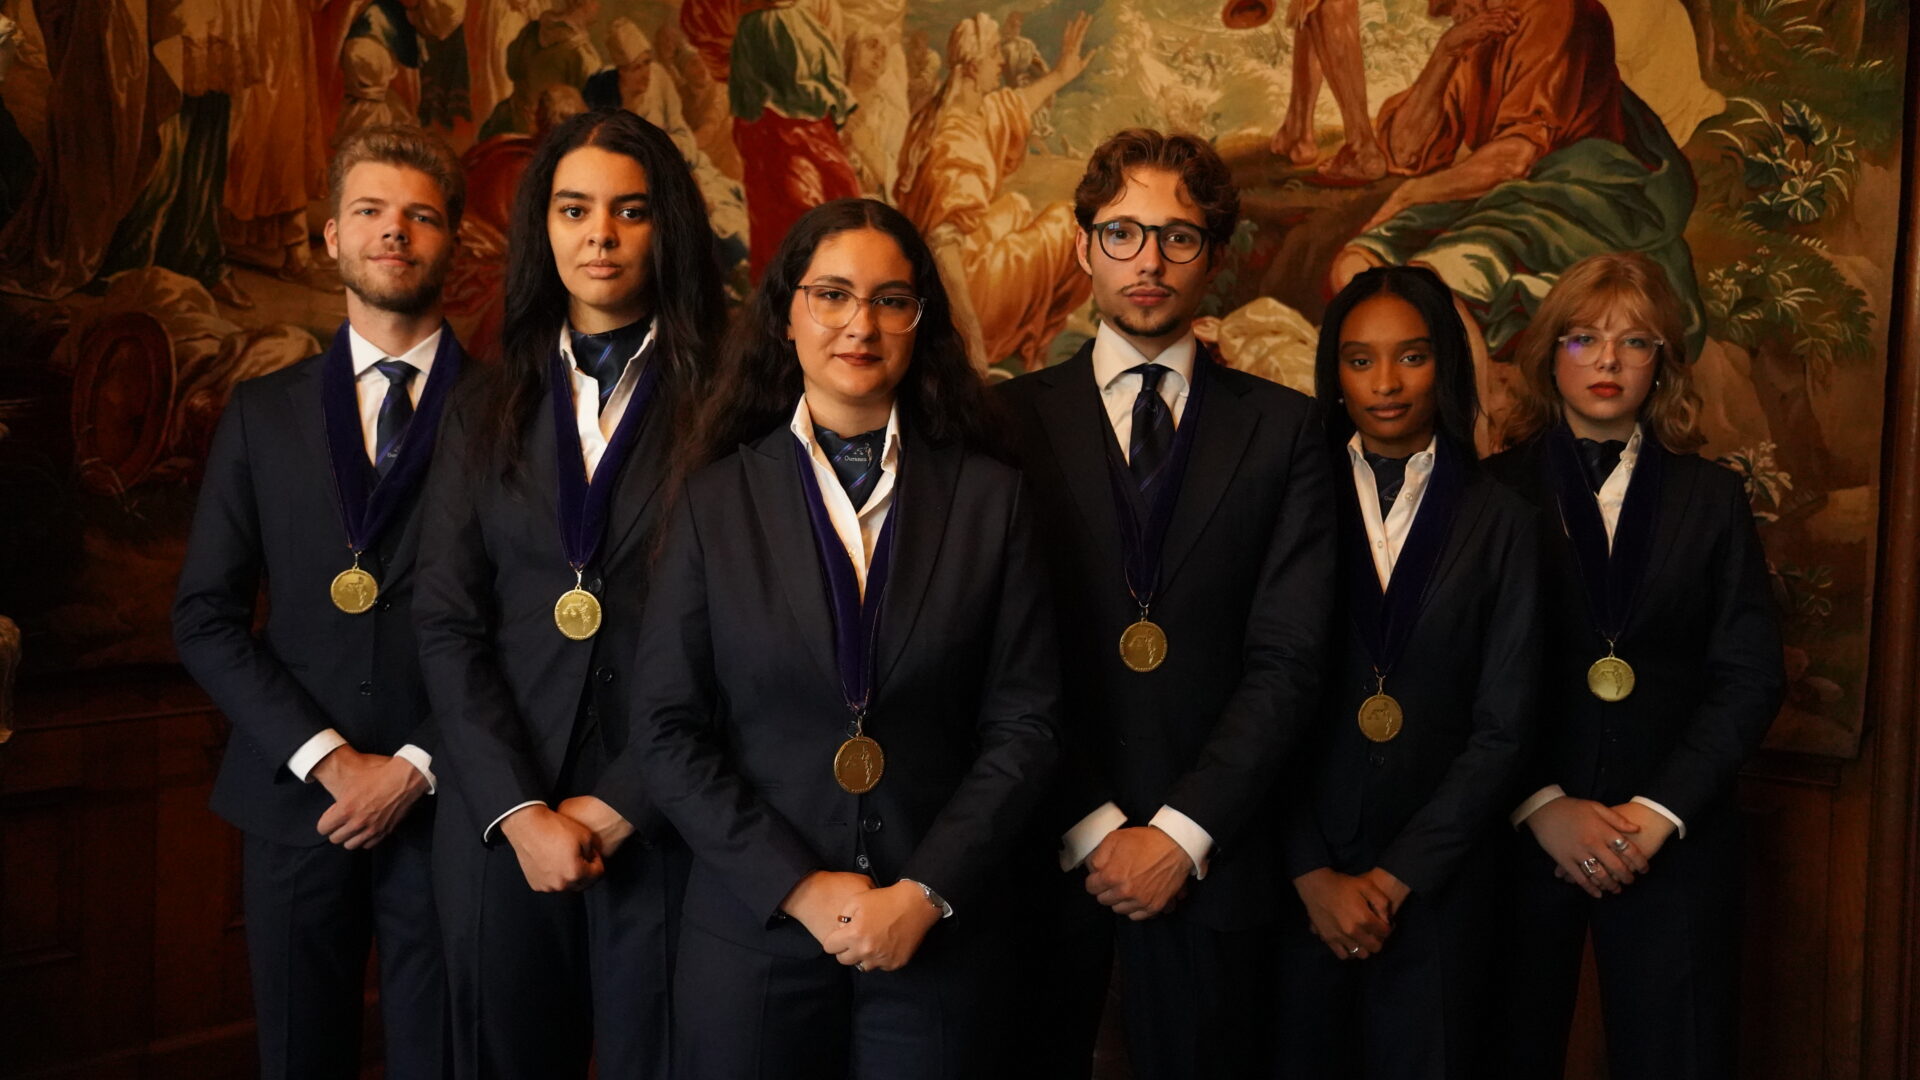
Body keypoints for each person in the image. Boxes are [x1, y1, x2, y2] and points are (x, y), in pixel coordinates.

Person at [602, 197, 1059, 1078]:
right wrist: (801, 888)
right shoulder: (713, 502)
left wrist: (925, 892)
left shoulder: (990, 500)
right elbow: (665, 729)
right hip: (755, 937)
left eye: (891, 300)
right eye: (833, 295)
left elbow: (1026, 727)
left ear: (920, 321)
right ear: (787, 315)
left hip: (937, 938)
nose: (861, 323)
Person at [995, 128, 1335, 1079]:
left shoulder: (1287, 431)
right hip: (1041, 849)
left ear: (1213, 256)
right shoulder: (1004, 422)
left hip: (1215, 861)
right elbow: (991, 657)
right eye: (1123, 233)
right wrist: (1095, 827)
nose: (1149, 261)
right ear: (1083, 247)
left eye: (1178, 237)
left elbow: (1290, 660)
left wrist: (1181, 835)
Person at [413, 108, 726, 1080]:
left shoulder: (732, 403)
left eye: (631, 210)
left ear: (666, 225)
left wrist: (625, 802)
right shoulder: (480, 405)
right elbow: (447, 622)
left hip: (667, 820)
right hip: (502, 823)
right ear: (542, 227)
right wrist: (518, 810)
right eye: (575, 209)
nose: (601, 235)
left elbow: (752, 628)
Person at [172, 125, 468, 1080]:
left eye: (420, 215)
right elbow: (205, 616)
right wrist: (332, 762)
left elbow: (532, 631)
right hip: (296, 803)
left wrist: (414, 766)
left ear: (452, 240)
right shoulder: (261, 414)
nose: (395, 231)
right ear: (332, 237)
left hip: (455, 809)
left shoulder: (516, 415)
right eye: (370, 210)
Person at [1486, 252, 1786, 1080]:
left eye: (1635, 341)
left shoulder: (1712, 497)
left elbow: (1750, 676)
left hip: (1671, 840)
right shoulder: (1490, 493)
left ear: (1664, 361)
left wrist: (1658, 813)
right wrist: (1542, 805)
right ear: (1549, 352)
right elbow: (1458, 673)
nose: (1609, 360)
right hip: (1518, 835)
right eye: (1584, 338)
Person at [1276, 265, 1542, 1077]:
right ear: (1335, 372)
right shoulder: (1286, 498)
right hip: (1296, 884)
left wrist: (1398, 879)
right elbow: (1250, 698)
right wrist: (1309, 871)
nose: (1385, 383)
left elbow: (1505, 727)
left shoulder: (1503, 518)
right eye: (1360, 360)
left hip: (1440, 889)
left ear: (1445, 365)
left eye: (1412, 357)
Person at [893, 12, 1094, 371]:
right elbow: (944, 249)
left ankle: (1032, 321)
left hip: (941, 273)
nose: (1001, 61)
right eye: (994, 53)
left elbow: (1012, 107)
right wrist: (971, 340)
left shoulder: (959, 114)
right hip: (961, 293)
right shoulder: (953, 141)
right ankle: (1029, 341)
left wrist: (1061, 74)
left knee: (1016, 205)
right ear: (973, 66)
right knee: (1069, 224)